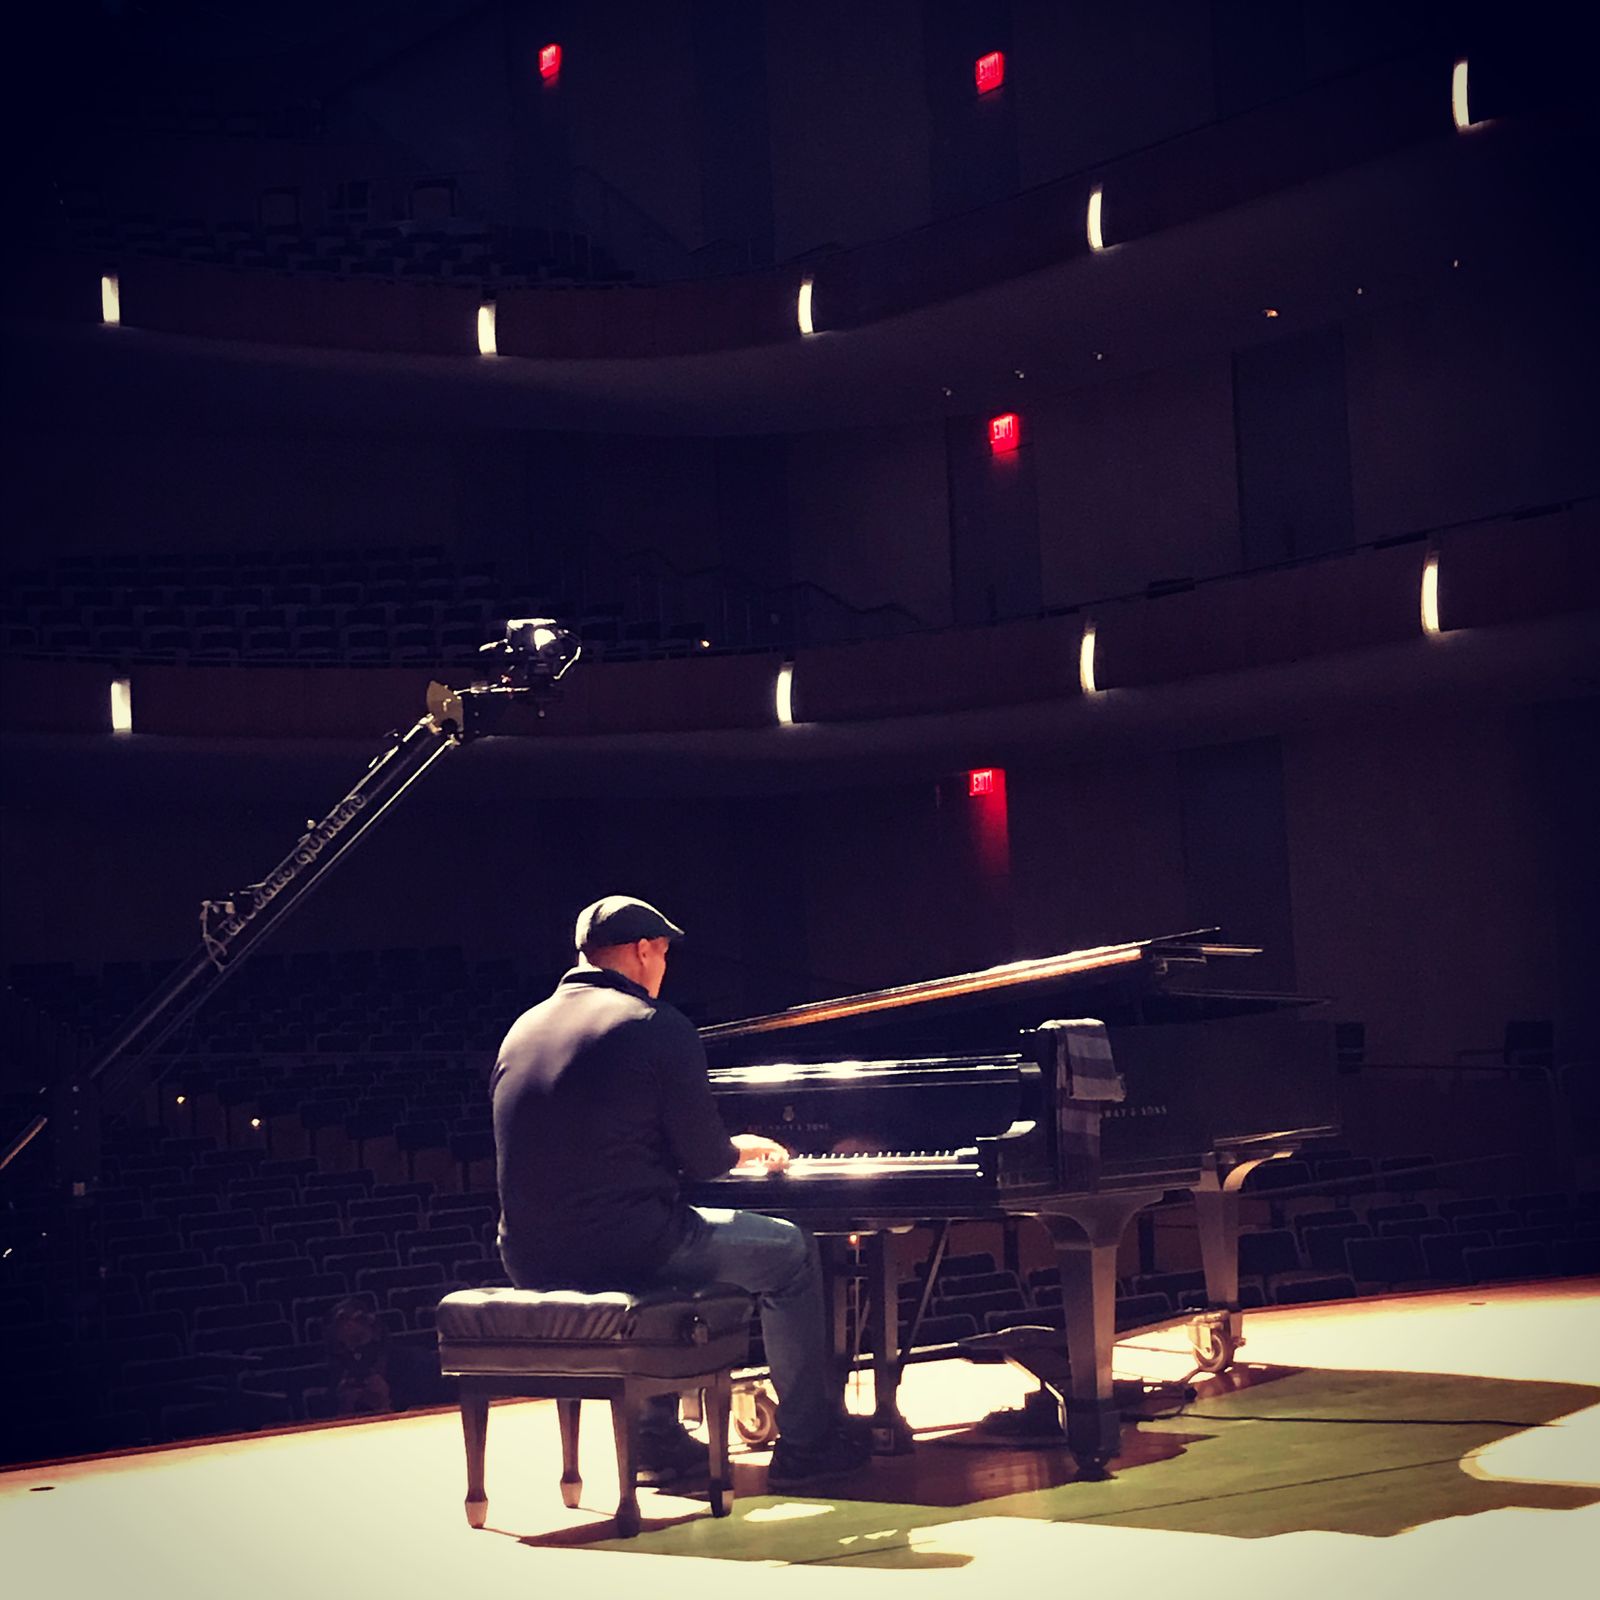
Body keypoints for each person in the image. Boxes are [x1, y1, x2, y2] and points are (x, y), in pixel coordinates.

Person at [491, 894, 870, 1489]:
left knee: (671, 1230)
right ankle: (808, 1444)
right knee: (791, 1253)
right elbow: (706, 1160)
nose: (664, 968)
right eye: (664, 954)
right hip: (626, 1245)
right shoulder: (654, 1025)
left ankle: (657, 1437)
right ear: (644, 950)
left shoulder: (524, 1028)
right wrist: (743, 1148)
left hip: (527, 1255)